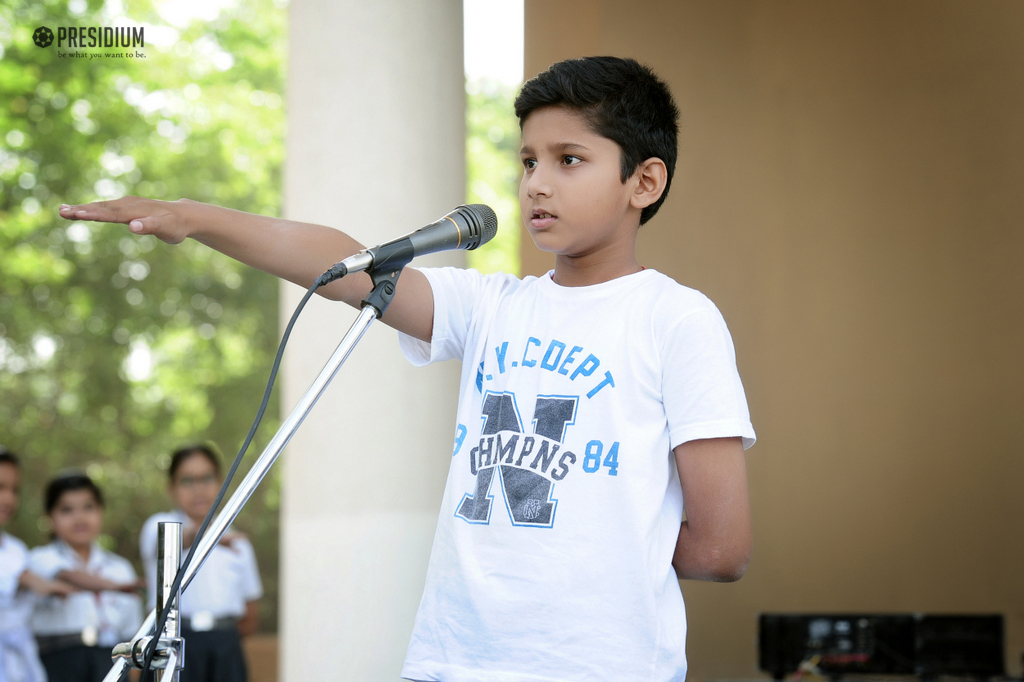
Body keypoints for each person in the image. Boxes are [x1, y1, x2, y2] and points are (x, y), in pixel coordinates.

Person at [60, 56, 755, 680]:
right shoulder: (490, 306)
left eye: (568, 159)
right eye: (527, 162)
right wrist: (195, 217)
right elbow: (349, 265)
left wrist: (595, 552)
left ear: (645, 180)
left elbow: (721, 546)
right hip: (449, 660)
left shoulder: (677, 320)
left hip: (600, 665)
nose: (537, 183)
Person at [138, 444, 261, 682]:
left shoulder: (238, 542)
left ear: (220, 482)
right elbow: (176, 540)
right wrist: (209, 536)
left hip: (226, 645)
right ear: (171, 487)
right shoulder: (160, 526)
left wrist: (225, 642)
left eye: (206, 478)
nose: (199, 489)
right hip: (173, 642)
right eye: (187, 481)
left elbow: (251, 611)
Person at [28, 471, 143, 682]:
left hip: (111, 660)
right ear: (49, 517)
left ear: (101, 511)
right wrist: (112, 587)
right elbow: (69, 576)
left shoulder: (119, 568)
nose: (79, 517)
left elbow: (131, 636)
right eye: (67, 510)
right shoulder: (39, 560)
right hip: (59, 663)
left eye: (88, 507)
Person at [0, 449, 75, 682]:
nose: (9, 499)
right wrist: (42, 584)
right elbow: (24, 577)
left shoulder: (16, 549)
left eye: (14, 490)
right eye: (0, 487)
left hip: (19, 665)